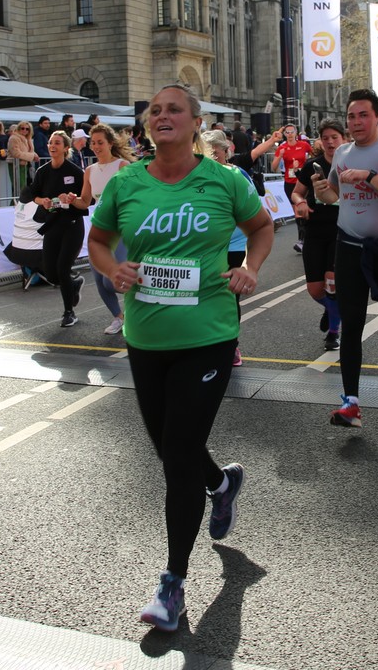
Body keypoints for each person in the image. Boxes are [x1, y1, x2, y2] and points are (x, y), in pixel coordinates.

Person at [86, 83, 272, 632]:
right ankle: (221, 483)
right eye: (155, 110)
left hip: (208, 335)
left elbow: (262, 227)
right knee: (172, 451)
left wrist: (250, 268)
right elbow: (99, 241)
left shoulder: (224, 180)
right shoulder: (127, 182)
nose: (162, 115)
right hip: (146, 338)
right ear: (147, 125)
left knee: (178, 456)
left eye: (174, 109)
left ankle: (173, 582)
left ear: (195, 122)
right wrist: (111, 269)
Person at [310, 89, 378, 429]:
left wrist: (369, 176)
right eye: (351, 116)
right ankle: (351, 403)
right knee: (352, 323)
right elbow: (334, 193)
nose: (356, 122)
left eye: (363, 115)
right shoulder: (343, 152)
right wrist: (322, 192)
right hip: (347, 247)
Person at [199, 129, 265, 366]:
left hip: (234, 245)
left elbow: (255, 211)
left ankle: (231, 345)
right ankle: (206, 342)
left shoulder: (238, 174)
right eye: (206, 152)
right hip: (206, 247)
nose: (211, 156)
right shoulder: (195, 176)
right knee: (205, 296)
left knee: (229, 298)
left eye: (215, 151)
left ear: (226, 151)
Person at [290, 120, 346, 352]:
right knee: (315, 290)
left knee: (332, 283)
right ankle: (333, 310)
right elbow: (296, 193)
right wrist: (300, 203)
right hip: (314, 231)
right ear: (320, 141)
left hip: (342, 230)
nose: (330, 142)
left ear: (344, 138)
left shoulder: (351, 163)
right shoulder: (312, 166)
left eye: (335, 137)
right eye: (325, 138)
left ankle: (333, 332)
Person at [75, 123, 135, 335]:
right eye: (93, 143)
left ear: (110, 143)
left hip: (120, 230)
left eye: (100, 142)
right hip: (99, 230)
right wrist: (71, 199)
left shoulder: (122, 166)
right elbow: (85, 201)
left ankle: (140, 302)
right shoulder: (89, 170)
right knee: (99, 279)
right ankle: (119, 318)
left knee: (112, 281)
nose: (96, 146)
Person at [27, 131, 88, 327]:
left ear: (66, 148)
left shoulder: (75, 171)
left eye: (57, 143)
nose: (52, 146)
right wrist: (43, 201)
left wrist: (72, 198)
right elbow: (33, 195)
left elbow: (88, 200)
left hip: (72, 224)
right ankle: (74, 283)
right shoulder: (43, 171)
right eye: (50, 143)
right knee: (51, 274)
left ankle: (69, 313)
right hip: (52, 224)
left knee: (62, 268)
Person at [273, 124, 313, 252]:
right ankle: (302, 240)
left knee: (306, 209)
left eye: (292, 132)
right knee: (297, 210)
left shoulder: (304, 145)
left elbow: (315, 156)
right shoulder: (282, 147)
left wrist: (307, 163)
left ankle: (306, 238)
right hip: (290, 182)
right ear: (285, 134)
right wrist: (280, 156)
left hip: (303, 181)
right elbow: (273, 167)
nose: (290, 134)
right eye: (287, 132)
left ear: (296, 133)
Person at [7, 120, 39, 193]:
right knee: (18, 188)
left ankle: (21, 200)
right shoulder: (14, 138)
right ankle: (17, 200)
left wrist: (34, 154)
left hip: (25, 165)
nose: (25, 130)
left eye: (27, 129)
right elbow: (16, 153)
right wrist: (32, 156)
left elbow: (28, 151)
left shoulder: (28, 139)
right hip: (15, 165)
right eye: (22, 128)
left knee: (24, 187)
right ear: (19, 128)